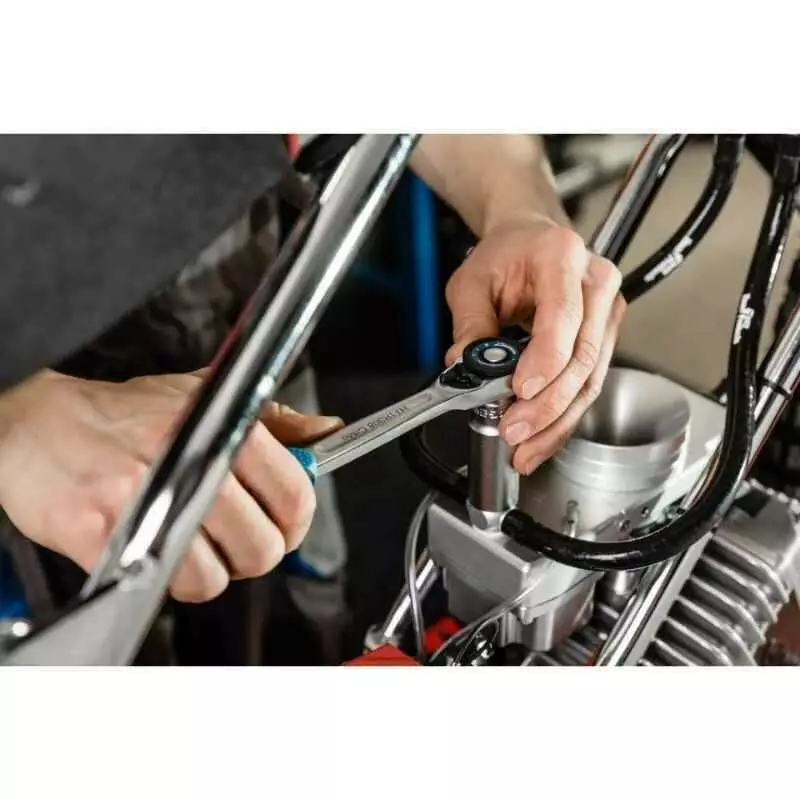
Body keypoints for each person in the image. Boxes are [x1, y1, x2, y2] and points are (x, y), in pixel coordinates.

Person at [0, 134, 624, 664]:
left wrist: (518, 206)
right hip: (33, 455)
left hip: (248, 315)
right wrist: (19, 424)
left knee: (293, 595)